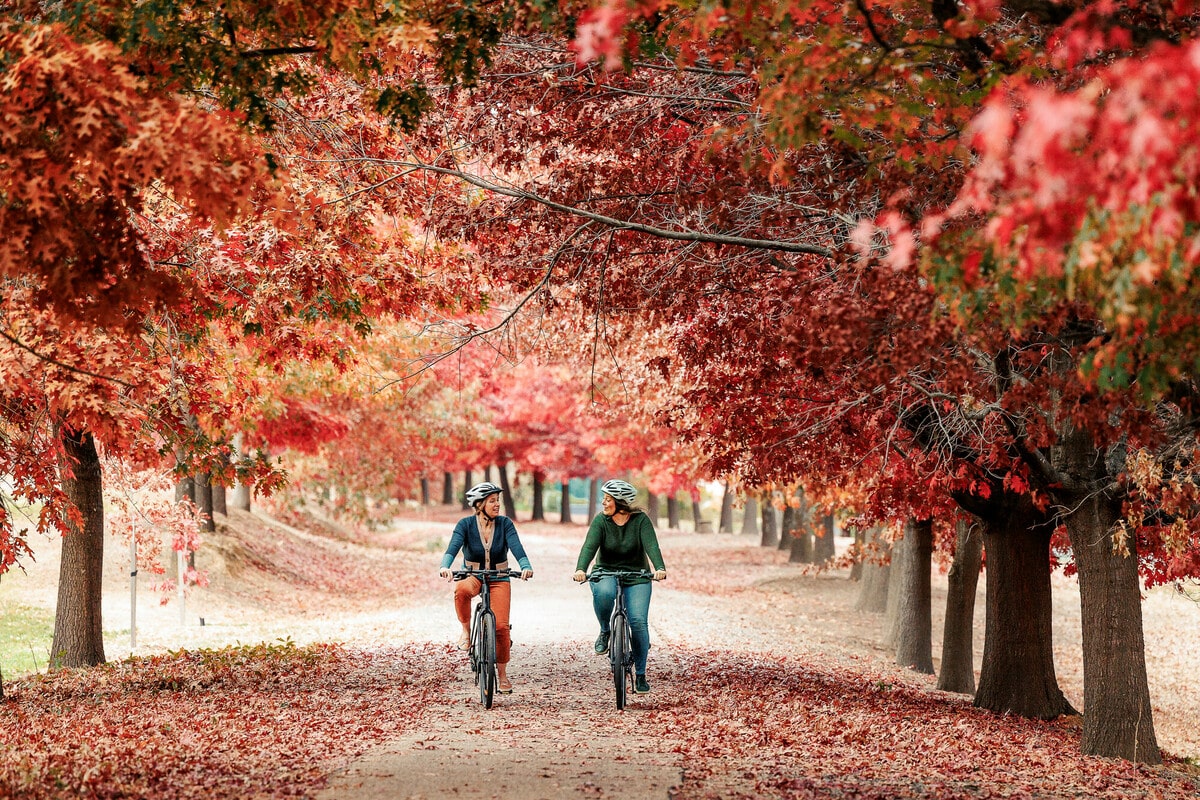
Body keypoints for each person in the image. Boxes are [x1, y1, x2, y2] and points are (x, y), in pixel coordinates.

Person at [573, 478, 666, 694]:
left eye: (608, 499)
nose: (603, 503)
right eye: (604, 499)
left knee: (638, 622)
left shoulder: (640, 520)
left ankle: (641, 675)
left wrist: (659, 567)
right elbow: (589, 546)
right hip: (606, 571)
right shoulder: (601, 521)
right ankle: (605, 630)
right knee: (604, 593)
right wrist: (580, 568)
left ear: (621, 503)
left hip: (637, 576)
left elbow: (651, 545)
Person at [439, 481, 533, 694]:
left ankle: (502, 674)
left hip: (499, 577)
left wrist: (525, 566)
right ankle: (465, 629)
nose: (497, 504)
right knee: (461, 590)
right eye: (492, 501)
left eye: (498, 500)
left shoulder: (505, 524)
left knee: (501, 628)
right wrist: (445, 566)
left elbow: (517, 547)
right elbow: (453, 547)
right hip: (473, 575)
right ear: (479, 505)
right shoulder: (465, 524)